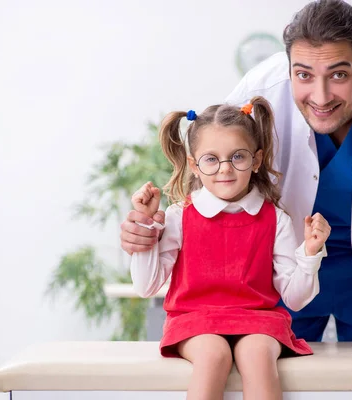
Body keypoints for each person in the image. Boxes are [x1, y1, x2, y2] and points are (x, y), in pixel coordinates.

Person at [121, 0, 352, 342]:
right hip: (284, 272)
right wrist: (148, 234)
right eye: (303, 75)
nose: (321, 96)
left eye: (339, 74)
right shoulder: (257, 96)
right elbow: (216, 196)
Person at [129, 96, 331, 400]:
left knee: (257, 355)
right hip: (194, 319)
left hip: (260, 321)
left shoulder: (275, 219)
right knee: (213, 354)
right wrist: (146, 226)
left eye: (238, 156)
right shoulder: (178, 216)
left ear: (257, 159)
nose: (225, 169)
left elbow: (296, 299)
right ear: (195, 166)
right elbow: (146, 287)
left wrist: (311, 254)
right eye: (211, 159)